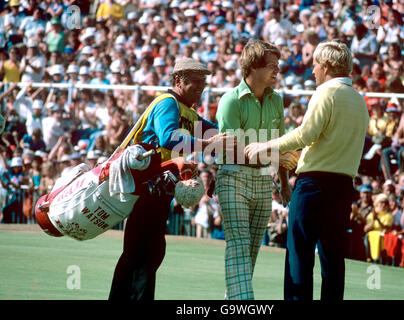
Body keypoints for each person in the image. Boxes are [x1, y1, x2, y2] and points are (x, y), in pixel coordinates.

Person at [245, 40, 369, 301]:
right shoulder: (359, 100)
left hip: (313, 186)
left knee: (299, 258)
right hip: (343, 188)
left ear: (326, 66)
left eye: (315, 65)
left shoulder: (326, 93)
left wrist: (265, 146)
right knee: (333, 261)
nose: (312, 70)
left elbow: (305, 134)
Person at [109, 58, 235, 300]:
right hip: (146, 187)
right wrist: (208, 144)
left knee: (147, 252)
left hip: (158, 188)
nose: (200, 87)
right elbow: (169, 138)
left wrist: (245, 145)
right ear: (178, 80)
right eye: (195, 82)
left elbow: (220, 139)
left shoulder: (188, 112)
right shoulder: (168, 103)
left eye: (203, 83)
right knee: (143, 253)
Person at [215, 39, 293, 300]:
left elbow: (281, 146)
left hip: (263, 179)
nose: (277, 71)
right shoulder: (230, 101)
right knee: (238, 244)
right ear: (252, 67)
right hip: (232, 175)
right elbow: (230, 150)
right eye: (272, 66)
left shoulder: (276, 100)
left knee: (249, 252)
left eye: (278, 66)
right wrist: (265, 152)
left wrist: (284, 182)